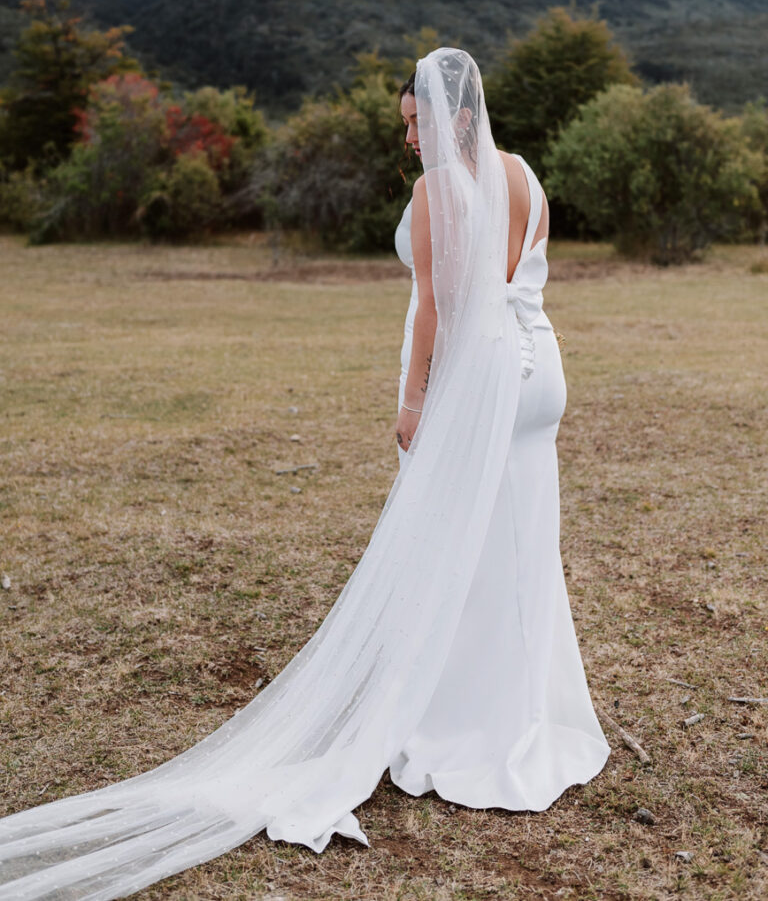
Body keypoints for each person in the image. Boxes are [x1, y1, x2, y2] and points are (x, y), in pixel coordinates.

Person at [0, 49, 610, 901]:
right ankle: (525, 715)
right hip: (541, 376)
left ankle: (469, 723)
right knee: (521, 543)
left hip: (478, 387)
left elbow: (438, 306)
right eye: (405, 123)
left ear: (456, 118)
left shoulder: (439, 189)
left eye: (416, 121)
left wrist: (412, 402)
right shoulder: (523, 174)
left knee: (456, 550)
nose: (409, 136)